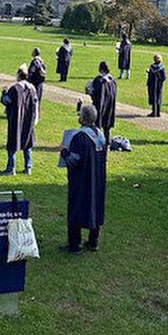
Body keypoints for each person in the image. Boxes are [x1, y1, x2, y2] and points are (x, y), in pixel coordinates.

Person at [60, 104, 107, 253]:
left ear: (83, 118)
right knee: (96, 205)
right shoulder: (100, 135)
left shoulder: (79, 137)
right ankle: (93, 241)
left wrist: (64, 152)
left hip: (82, 180)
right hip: (97, 178)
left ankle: (75, 244)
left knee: (76, 207)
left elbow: (74, 160)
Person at [1, 65, 38, 175]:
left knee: (12, 143)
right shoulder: (32, 88)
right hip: (28, 120)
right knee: (27, 143)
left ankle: (11, 168)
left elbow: (6, 101)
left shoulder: (14, 88)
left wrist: (3, 93)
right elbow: (35, 103)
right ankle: (28, 167)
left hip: (16, 120)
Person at [87, 61, 117, 141]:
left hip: (100, 107)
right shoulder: (112, 80)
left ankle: (98, 143)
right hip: (110, 107)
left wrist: (89, 92)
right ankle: (107, 143)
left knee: (98, 126)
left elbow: (95, 94)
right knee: (107, 128)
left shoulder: (98, 80)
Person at [27, 47, 47, 115]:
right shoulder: (41, 60)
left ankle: (33, 113)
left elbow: (32, 71)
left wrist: (28, 79)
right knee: (38, 98)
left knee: (33, 98)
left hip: (34, 82)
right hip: (40, 82)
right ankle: (37, 113)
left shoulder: (34, 61)